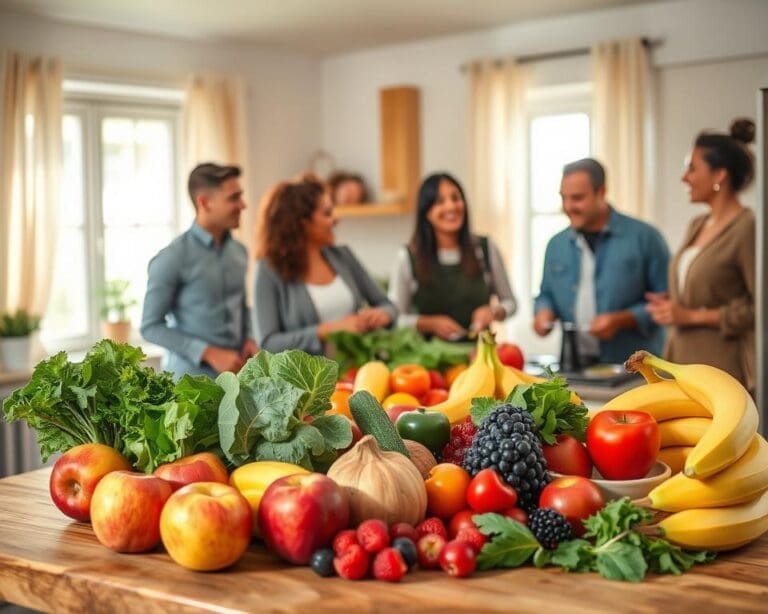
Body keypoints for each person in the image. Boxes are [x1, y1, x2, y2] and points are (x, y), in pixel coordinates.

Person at [646, 119, 756, 390]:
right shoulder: (697, 224)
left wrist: (690, 315)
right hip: (681, 361)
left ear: (720, 175)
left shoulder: (747, 227)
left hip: (721, 367)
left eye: (692, 168)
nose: (684, 177)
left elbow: (760, 307)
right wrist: (674, 302)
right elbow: (708, 291)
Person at [534, 158, 670, 365]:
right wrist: (544, 311)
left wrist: (621, 320)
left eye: (577, 198)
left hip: (635, 367)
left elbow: (666, 301)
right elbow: (546, 294)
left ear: (602, 192)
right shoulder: (556, 245)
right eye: (563, 198)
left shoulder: (645, 238)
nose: (568, 207)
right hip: (575, 365)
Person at [253, 175, 396, 354]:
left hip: (356, 368)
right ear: (302, 223)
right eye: (327, 213)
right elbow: (268, 343)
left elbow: (388, 305)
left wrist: (383, 315)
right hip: (307, 373)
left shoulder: (343, 256)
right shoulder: (269, 270)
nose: (336, 219)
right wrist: (327, 330)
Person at [141, 163, 257, 379]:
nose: (243, 205)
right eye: (234, 198)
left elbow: (242, 307)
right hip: (190, 385)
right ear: (204, 202)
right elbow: (150, 327)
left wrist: (250, 337)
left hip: (238, 379)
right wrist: (208, 352)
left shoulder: (240, 252)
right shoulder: (172, 257)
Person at [388, 172, 517, 340]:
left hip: (479, 352)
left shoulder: (485, 249)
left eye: (456, 198)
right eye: (440, 201)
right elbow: (395, 318)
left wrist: (494, 311)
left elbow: (510, 303)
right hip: (425, 354)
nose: (451, 206)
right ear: (426, 212)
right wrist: (429, 323)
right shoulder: (407, 257)